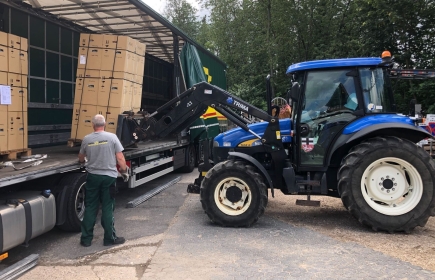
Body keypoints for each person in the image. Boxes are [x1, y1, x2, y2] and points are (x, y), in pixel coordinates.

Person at [78, 114, 130, 247]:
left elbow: (81, 157)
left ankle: (86, 239)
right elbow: (120, 158)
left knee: (90, 207)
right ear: (105, 124)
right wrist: (124, 171)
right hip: (108, 178)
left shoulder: (86, 139)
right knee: (107, 207)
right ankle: (109, 239)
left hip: (93, 177)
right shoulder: (112, 137)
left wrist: (82, 161)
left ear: (93, 125)